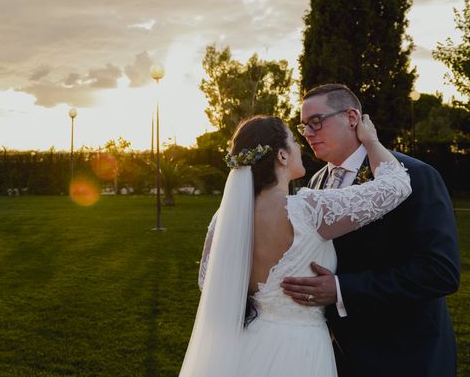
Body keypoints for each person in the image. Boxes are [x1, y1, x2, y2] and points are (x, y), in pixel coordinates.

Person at [180, 113, 411, 377]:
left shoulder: (224, 217)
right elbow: (396, 185)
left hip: (247, 342)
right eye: (293, 139)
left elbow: (207, 282)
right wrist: (371, 141)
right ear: (281, 155)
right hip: (301, 346)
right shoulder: (307, 210)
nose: (299, 146)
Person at [281, 83, 461, 376]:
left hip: (406, 354)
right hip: (339, 354)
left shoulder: (414, 175)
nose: (309, 133)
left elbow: (440, 271)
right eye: (303, 126)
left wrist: (342, 289)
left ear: (352, 118)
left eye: (316, 122)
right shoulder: (314, 183)